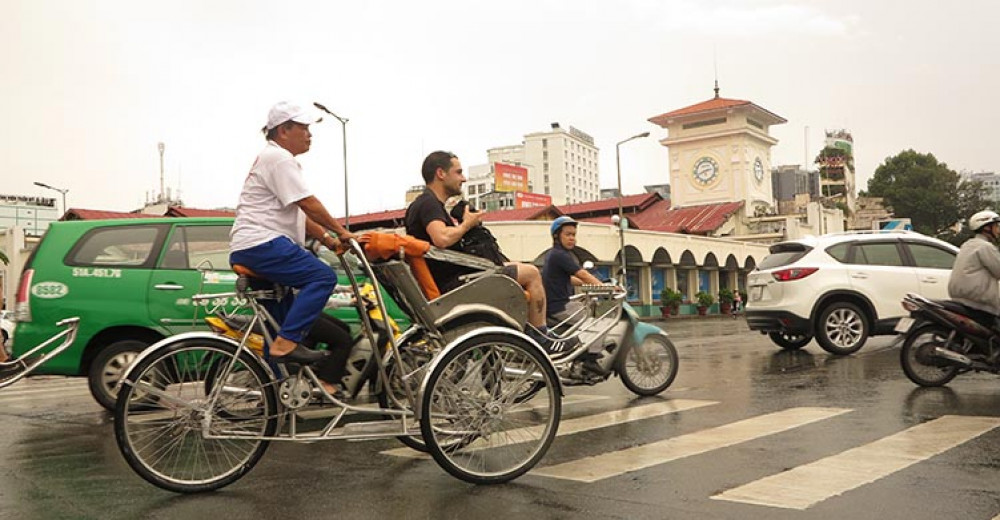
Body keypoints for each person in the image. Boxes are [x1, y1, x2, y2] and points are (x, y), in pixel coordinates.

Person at [229, 101, 358, 398]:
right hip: (263, 243)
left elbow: (300, 215)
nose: (309, 134)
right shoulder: (279, 158)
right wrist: (341, 231)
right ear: (284, 130)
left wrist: (328, 240)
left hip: (251, 245)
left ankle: (275, 393)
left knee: (280, 321)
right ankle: (288, 343)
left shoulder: (273, 159)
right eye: (304, 128)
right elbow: (308, 203)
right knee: (323, 278)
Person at [404, 151, 555, 349]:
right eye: (458, 172)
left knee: (518, 267)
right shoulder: (428, 204)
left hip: (451, 280)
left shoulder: (424, 205)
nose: (463, 178)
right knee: (532, 273)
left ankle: (529, 334)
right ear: (441, 173)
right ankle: (540, 341)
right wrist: (467, 224)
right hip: (454, 284)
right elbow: (441, 238)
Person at [543, 216, 603, 328]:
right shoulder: (560, 255)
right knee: (595, 323)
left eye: (573, 235)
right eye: (568, 234)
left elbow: (567, 278)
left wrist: (588, 283)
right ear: (556, 236)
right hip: (559, 308)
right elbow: (583, 274)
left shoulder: (553, 253)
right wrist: (605, 287)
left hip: (554, 306)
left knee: (584, 308)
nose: (572, 238)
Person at [948, 210, 1000, 327]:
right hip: (978, 301)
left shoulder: (967, 245)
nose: (998, 230)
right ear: (987, 228)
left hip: (960, 298)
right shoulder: (985, 247)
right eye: (996, 226)